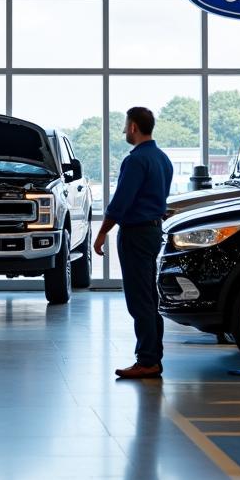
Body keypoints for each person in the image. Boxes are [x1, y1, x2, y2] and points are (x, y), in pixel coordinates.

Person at [93, 107, 173, 380]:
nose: (124, 130)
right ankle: (153, 356)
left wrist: (102, 232)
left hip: (136, 234)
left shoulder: (136, 161)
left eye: (126, 126)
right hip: (153, 233)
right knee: (150, 297)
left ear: (135, 127)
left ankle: (147, 360)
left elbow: (120, 202)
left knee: (139, 300)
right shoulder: (163, 159)